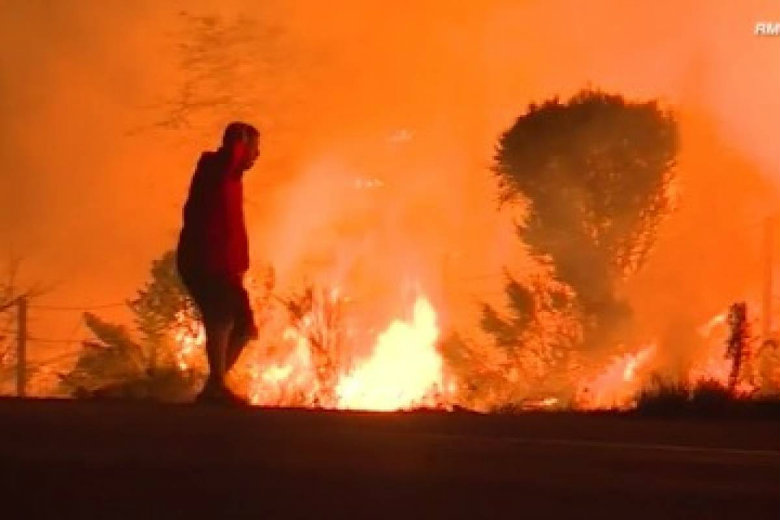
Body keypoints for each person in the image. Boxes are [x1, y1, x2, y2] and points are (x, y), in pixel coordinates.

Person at [176, 121, 260, 404]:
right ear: (241, 147)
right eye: (254, 148)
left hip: (225, 265)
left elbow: (232, 228)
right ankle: (216, 386)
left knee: (245, 327)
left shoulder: (232, 178)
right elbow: (229, 156)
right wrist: (239, 141)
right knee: (221, 317)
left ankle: (214, 385)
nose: (257, 155)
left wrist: (240, 264)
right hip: (205, 261)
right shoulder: (216, 169)